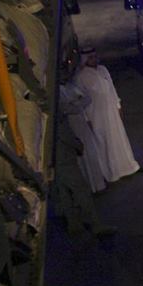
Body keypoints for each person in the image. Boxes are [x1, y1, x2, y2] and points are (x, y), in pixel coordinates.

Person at [53, 81, 116, 238]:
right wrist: (77, 144)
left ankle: (73, 224)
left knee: (64, 192)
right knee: (80, 190)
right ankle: (95, 224)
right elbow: (62, 131)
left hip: (54, 160)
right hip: (64, 156)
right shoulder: (55, 107)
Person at [74, 47, 141, 182]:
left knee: (119, 140)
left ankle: (129, 167)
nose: (94, 60)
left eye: (95, 57)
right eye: (90, 58)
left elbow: (111, 89)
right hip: (96, 117)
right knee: (105, 144)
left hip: (112, 113)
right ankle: (112, 173)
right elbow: (81, 100)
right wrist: (87, 119)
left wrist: (118, 105)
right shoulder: (81, 77)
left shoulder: (103, 70)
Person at [60, 78, 107, 193]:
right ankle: (91, 186)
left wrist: (76, 103)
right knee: (83, 158)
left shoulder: (72, 85)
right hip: (73, 125)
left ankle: (98, 184)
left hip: (82, 123)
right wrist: (77, 102)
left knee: (91, 152)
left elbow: (87, 99)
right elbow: (66, 108)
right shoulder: (60, 91)